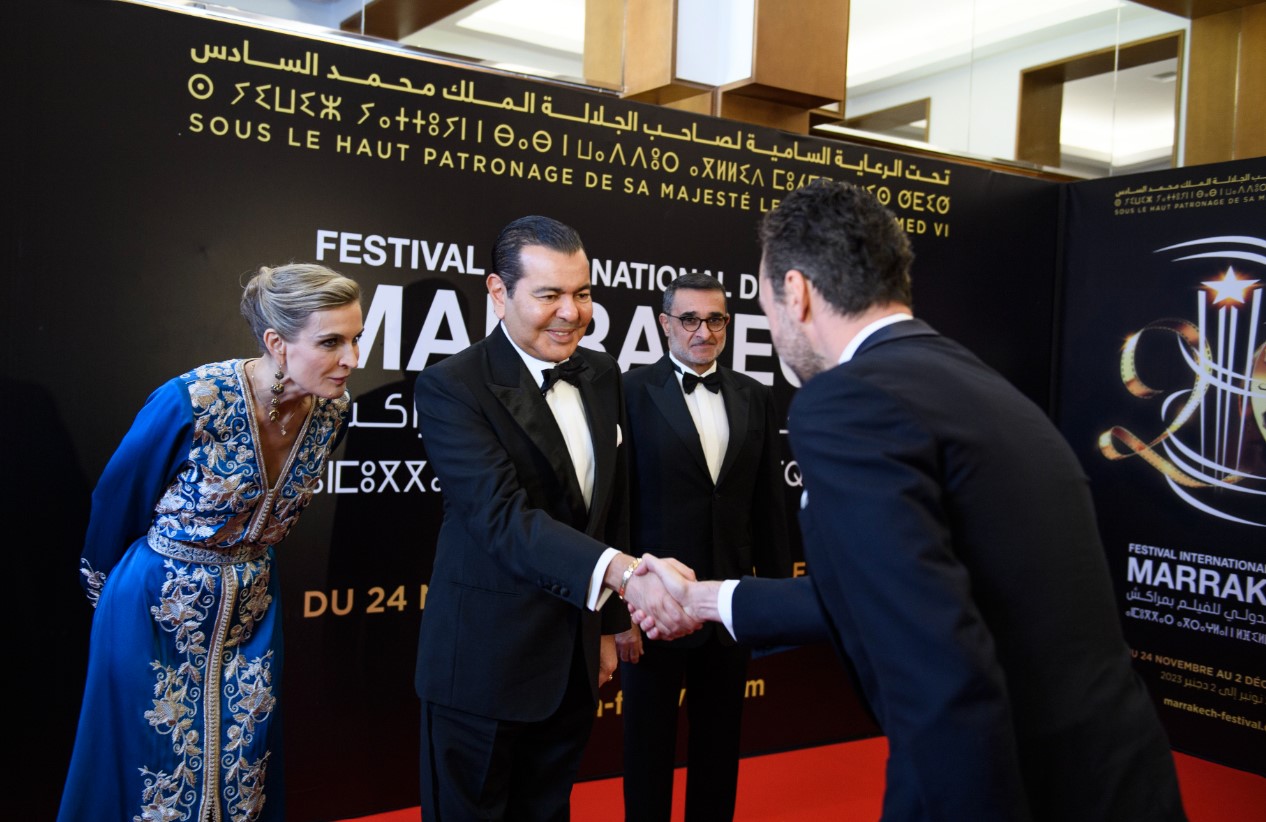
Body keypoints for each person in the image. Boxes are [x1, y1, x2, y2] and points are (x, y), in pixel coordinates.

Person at [632, 179, 1187, 821]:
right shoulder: (978, 383)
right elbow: (907, 589)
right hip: (1121, 783)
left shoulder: (849, 401)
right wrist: (704, 600)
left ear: (798, 293)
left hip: (1006, 790)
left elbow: (939, 673)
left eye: (760, 300)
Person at [412, 215, 696, 821]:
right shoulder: (451, 387)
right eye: (549, 295)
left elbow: (611, 504)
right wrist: (623, 574)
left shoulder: (600, 373)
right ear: (498, 293)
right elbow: (501, 517)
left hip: (571, 664)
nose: (572, 312)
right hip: (481, 668)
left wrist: (611, 622)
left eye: (583, 293)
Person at [57, 263, 364, 822]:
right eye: (331, 342)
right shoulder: (191, 401)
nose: (352, 359)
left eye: (356, 339)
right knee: (151, 774)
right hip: (153, 607)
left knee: (244, 765)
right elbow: (114, 504)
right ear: (276, 342)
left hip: (251, 611)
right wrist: (110, 607)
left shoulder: (333, 411)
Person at [617, 272, 792, 821]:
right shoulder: (628, 392)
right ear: (665, 324)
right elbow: (617, 505)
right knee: (647, 749)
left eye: (715, 319)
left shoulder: (754, 396)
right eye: (689, 319)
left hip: (729, 606)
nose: (703, 331)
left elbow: (768, 507)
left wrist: (775, 604)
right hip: (653, 608)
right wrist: (619, 611)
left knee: (720, 748)